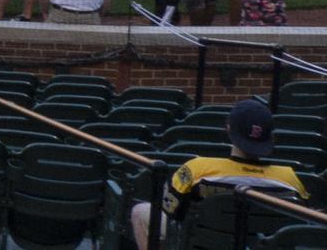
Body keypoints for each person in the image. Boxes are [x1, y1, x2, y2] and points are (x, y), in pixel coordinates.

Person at [131, 99, 309, 250]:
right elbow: (300, 225)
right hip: (262, 245)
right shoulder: (291, 179)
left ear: (229, 128)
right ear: (270, 137)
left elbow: (170, 212)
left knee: (140, 211)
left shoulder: (196, 168)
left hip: (204, 243)